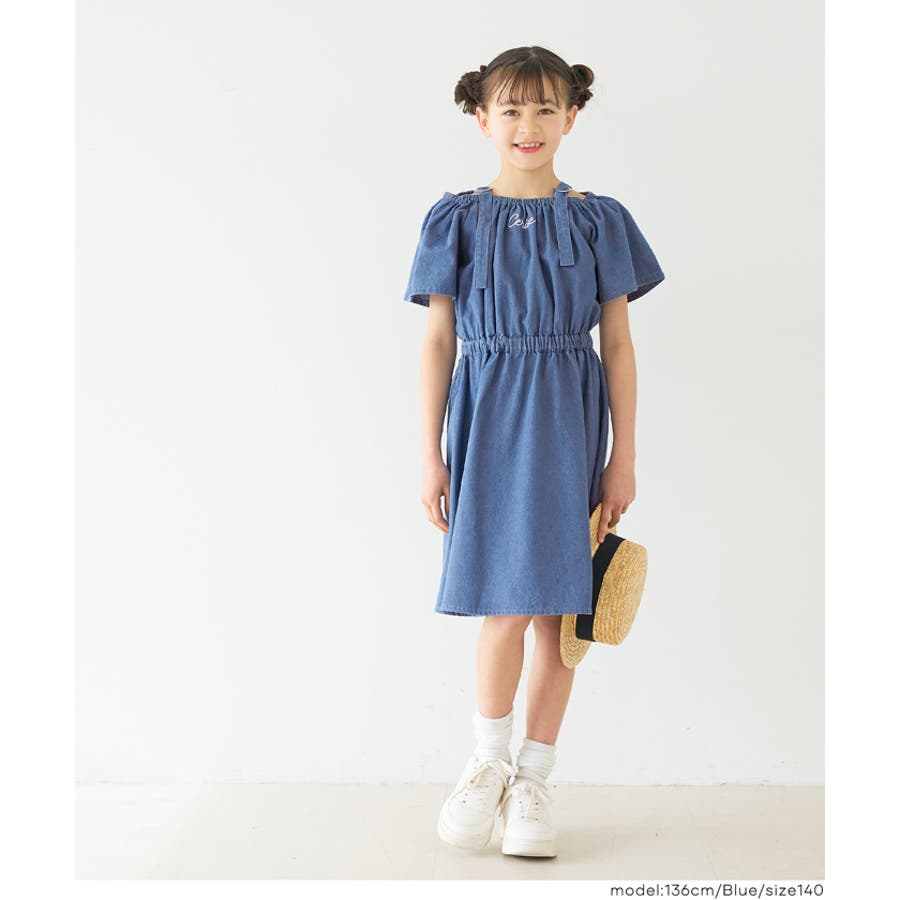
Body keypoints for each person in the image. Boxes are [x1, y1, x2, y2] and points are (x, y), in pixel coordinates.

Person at [401, 46, 665, 858]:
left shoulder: (599, 219)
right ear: (481, 118)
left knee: (560, 612)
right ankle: (486, 763)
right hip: (486, 418)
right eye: (511, 109)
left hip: (569, 419)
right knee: (504, 603)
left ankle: (534, 781)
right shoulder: (455, 218)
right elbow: (438, 340)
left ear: (572, 117)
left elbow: (618, 344)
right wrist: (431, 455)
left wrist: (623, 457)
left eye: (546, 108)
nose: (529, 124)